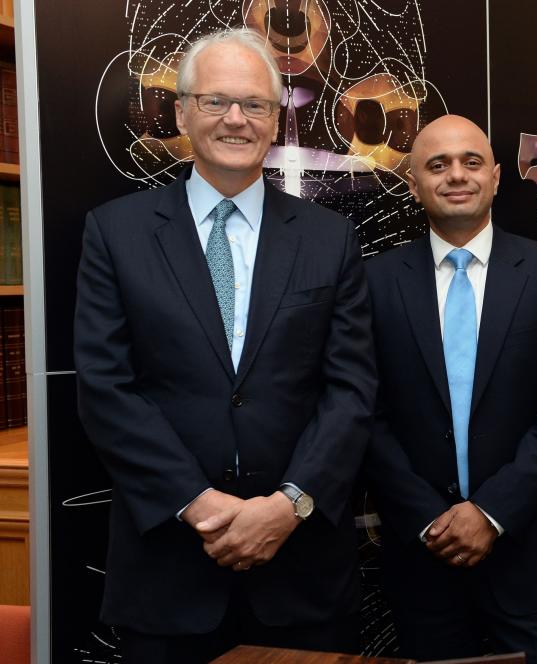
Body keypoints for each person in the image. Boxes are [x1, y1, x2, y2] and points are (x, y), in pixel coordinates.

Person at [74, 29, 376, 663]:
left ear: (276, 121)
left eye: (255, 104)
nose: (235, 119)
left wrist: (288, 505)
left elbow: (349, 390)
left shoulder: (330, 239)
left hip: (302, 574)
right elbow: (106, 388)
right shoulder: (116, 232)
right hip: (168, 572)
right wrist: (198, 503)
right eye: (215, 102)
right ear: (182, 112)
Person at [364, 115, 537, 664]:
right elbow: (363, 412)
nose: (456, 176)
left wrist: (491, 511)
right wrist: (429, 519)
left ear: (494, 177)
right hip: (424, 552)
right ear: (413, 184)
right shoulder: (374, 281)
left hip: (528, 549)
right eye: (436, 165)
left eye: (470, 162)